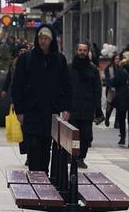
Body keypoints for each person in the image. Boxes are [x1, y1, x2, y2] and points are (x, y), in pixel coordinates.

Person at [11, 25, 71, 172]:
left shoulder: (59, 60)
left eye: (46, 39)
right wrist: (19, 111)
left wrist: (67, 107)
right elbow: (17, 85)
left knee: (45, 150)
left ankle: (43, 181)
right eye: (40, 38)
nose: (43, 41)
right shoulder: (26, 59)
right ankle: (35, 179)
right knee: (33, 148)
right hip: (31, 111)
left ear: (52, 41)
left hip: (50, 112)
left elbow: (67, 85)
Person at [68, 43, 103, 168]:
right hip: (72, 108)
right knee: (73, 134)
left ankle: (81, 157)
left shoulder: (93, 70)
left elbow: (97, 90)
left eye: (84, 50)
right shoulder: (69, 68)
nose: (82, 52)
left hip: (87, 108)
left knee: (86, 136)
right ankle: (73, 156)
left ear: (88, 52)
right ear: (76, 51)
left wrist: (98, 109)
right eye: (80, 50)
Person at [102, 54, 121, 127]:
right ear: (113, 59)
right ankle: (107, 118)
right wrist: (111, 86)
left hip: (119, 90)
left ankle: (117, 123)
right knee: (110, 106)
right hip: (110, 90)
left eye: (119, 58)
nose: (117, 60)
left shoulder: (120, 67)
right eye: (116, 58)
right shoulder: (109, 68)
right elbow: (107, 79)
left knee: (119, 107)